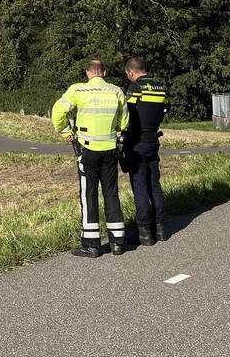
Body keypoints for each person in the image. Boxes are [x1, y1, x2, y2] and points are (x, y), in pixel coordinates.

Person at [52, 60, 130, 258]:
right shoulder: (116, 91)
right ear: (103, 72)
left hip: (87, 149)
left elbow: (57, 111)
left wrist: (66, 132)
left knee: (89, 195)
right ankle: (117, 242)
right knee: (111, 193)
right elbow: (124, 121)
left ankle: (91, 244)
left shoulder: (78, 91)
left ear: (88, 73)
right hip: (110, 148)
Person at [123, 57, 170, 244]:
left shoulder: (135, 88)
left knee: (140, 185)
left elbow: (127, 113)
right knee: (154, 185)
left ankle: (144, 232)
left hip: (137, 141)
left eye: (128, 75)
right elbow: (166, 110)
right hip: (153, 140)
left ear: (131, 72)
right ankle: (160, 228)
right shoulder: (161, 88)